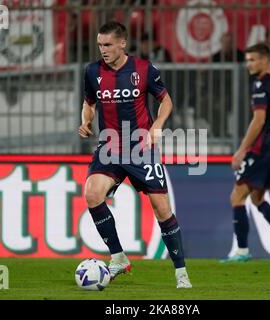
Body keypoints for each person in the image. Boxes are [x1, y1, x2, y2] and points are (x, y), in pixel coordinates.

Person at [78, 21, 192, 289]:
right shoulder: (92, 71)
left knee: (162, 209)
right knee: (92, 194)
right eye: (99, 45)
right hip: (109, 147)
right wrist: (86, 120)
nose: (102, 50)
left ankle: (181, 272)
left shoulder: (143, 69)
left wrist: (157, 126)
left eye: (107, 45)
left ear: (122, 43)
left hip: (141, 149)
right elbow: (89, 103)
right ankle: (118, 257)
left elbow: (166, 100)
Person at [220, 43, 270, 263]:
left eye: (253, 60)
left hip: (262, 148)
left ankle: (242, 252)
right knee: (257, 197)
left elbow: (259, 119)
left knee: (237, 196)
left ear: (265, 59)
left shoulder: (261, 83)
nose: (249, 64)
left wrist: (242, 150)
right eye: (247, 60)